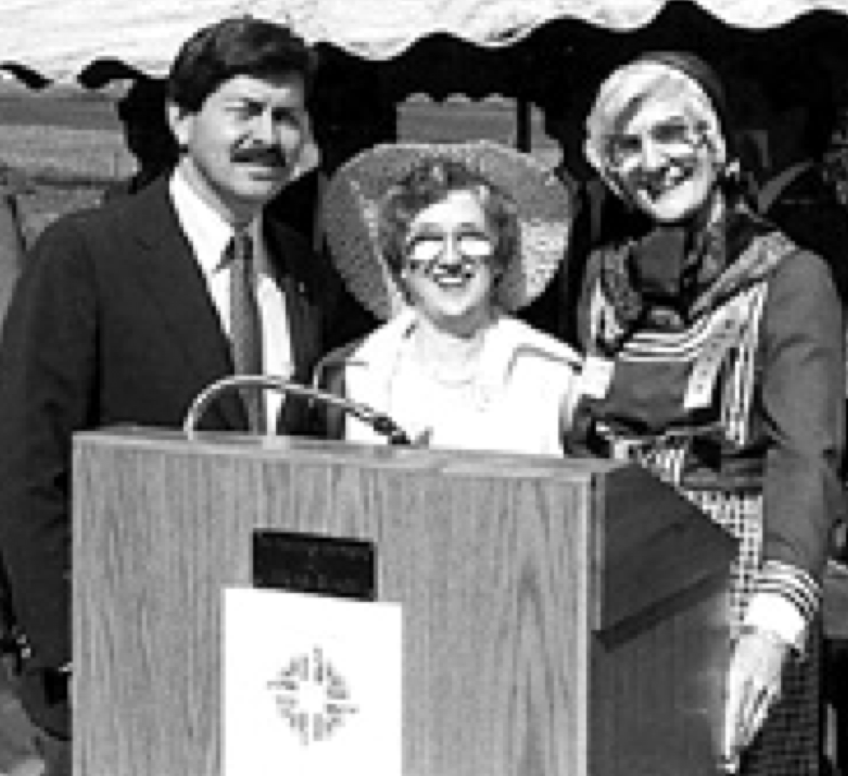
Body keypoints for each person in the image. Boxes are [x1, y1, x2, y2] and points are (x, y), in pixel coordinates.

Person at [0, 15, 336, 772]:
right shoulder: (85, 254)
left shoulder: (303, 274)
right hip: (119, 654)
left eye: (287, 117)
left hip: (265, 665)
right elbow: (24, 463)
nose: (268, 137)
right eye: (244, 111)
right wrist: (68, 648)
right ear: (181, 120)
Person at [566, 52, 845, 775]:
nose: (652, 160)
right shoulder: (604, 276)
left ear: (716, 145)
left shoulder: (790, 277)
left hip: (744, 573)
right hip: (626, 571)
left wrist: (772, 631)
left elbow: (806, 457)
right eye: (627, 145)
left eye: (672, 134)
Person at [314, 141, 580, 454]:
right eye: (427, 239)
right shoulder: (348, 376)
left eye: (471, 237)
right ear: (400, 263)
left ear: (498, 259)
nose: (451, 258)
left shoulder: (554, 374)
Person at [102, 76, 180, 201]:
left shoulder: (192, 199)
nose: (138, 130)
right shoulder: (118, 196)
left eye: (150, 121)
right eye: (130, 118)